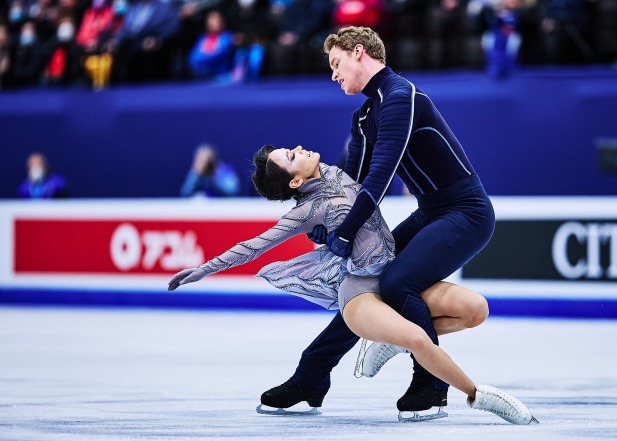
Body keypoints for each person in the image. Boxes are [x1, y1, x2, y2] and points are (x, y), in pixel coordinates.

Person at [168, 144, 538, 425]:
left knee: (476, 310)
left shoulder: (338, 171)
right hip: (361, 292)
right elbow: (255, 245)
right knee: (417, 338)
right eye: (292, 157)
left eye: (292, 148)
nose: (299, 149)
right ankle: (477, 394)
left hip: (392, 272)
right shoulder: (305, 210)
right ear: (296, 181)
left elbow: (370, 150)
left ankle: (357, 354)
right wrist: (203, 269)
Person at [259, 26, 498, 421]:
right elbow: (348, 190)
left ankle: (432, 386)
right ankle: (311, 376)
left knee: (396, 284)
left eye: (336, 64)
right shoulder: (365, 115)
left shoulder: (400, 96)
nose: (333, 75)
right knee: (362, 289)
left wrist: (347, 233)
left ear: (358, 54)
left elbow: (380, 176)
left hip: (466, 212)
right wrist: (329, 224)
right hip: (431, 212)